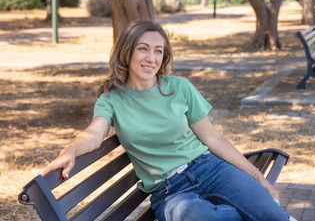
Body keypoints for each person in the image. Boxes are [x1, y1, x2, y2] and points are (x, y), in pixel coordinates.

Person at [42, 20, 296, 221]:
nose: (151, 58)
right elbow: (95, 133)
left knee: (272, 215)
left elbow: (213, 138)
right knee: (203, 217)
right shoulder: (112, 99)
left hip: (209, 167)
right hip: (170, 191)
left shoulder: (179, 87)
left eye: (158, 51)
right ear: (126, 52)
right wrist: (71, 150)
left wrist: (257, 177)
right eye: (143, 48)